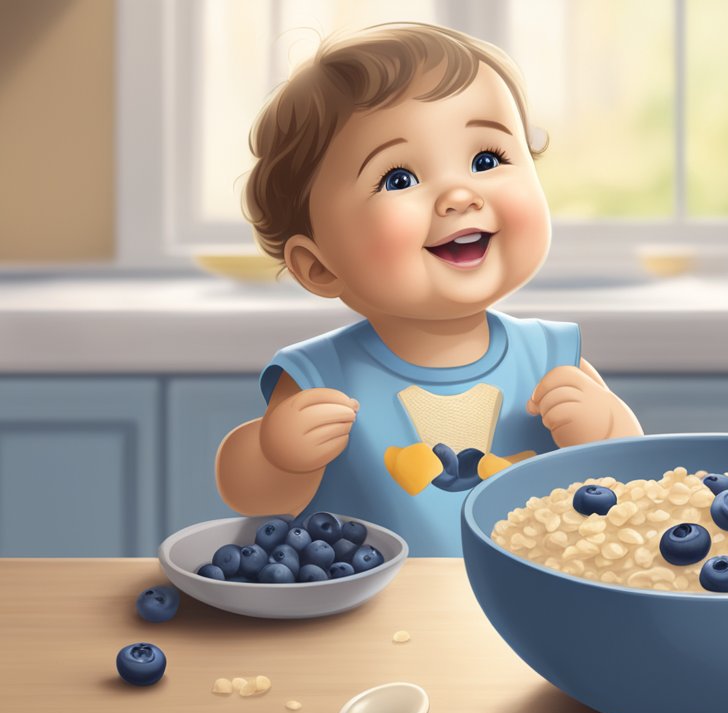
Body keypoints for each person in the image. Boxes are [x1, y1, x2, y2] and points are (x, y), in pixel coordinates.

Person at [215, 22, 642, 556]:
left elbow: (630, 483)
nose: (460, 195)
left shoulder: (552, 357)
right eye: (398, 179)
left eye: (487, 160)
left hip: (529, 608)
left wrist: (604, 428)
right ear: (319, 267)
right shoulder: (320, 377)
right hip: (377, 616)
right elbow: (251, 500)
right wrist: (276, 454)